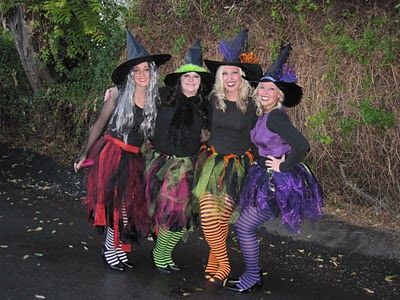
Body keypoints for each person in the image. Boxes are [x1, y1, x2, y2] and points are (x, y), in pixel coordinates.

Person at [224, 44, 324, 292]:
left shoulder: (276, 116)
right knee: (245, 225)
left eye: (272, 88)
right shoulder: (262, 114)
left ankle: (252, 276)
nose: (265, 92)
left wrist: (284, 164)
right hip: (263, 176)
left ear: (280, 95)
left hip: (276, 181)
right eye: (262, 87)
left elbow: (302, 145)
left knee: (244, 226)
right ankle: (252, 274)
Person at [73, 30, 171, 271]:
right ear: (130, 74)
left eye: (146, 70)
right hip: (112, 155)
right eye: (136, 70)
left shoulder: (155, 98)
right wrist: (84, 153)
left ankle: (117, 248)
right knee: (116, 206)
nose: (142, 75)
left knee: (128, 207)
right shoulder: (118, 93)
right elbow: (99, 123)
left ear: (152, 71)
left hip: (135, 157)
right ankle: (110, 248)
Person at [192, 29, 262, 285]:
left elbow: (268, 126)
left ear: (242, 75)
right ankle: (225, 262)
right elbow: (182, 100)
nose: (230, 77)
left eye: (235, 72)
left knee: (220, 218)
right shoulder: (212, 98)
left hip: (237, 166)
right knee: (209, 217)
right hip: (211, 162)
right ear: (220, 76)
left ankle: (214, 261)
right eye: (225, 73)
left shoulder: (254, 102)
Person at [144, 39, 213, 273]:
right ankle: (159, 254)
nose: (191, 81)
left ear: (201, 81)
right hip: (160, 163)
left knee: (181, 219)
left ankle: (162, 252)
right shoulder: (162, 95)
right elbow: (137, 94)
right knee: (166, 215)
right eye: (187, 77)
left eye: (196, 77)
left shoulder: (206, 106)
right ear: (180, 79)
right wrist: (115, 92)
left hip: (186, 167)